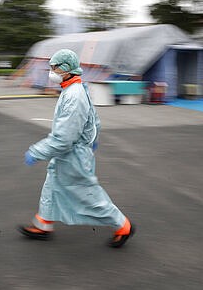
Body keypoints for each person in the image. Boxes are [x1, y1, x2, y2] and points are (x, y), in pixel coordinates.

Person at [18, 49, 135, 248]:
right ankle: (43, 224)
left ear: (66, 69)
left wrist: (37, 151)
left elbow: (64, 138)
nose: (51, 72)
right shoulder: (77, 88)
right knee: (52, 186)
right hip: (71, 154)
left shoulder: (74, 95)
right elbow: (94, 118)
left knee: (87, 194)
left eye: (54, 68)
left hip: (73, 157)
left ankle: (123, 225)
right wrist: (93, 137)